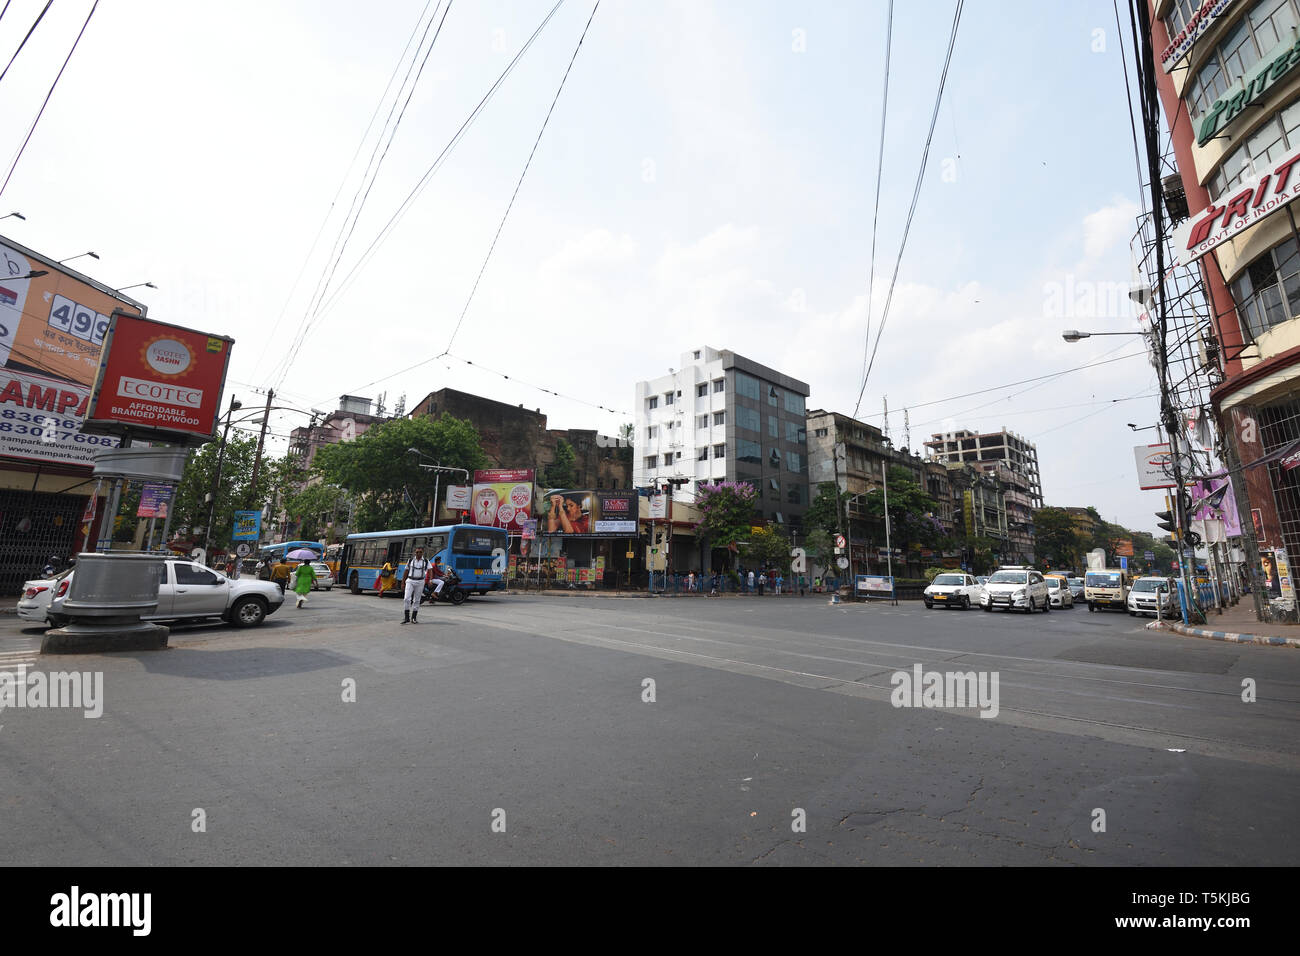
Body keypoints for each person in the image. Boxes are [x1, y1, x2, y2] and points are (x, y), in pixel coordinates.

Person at [401, 546, 430, 624]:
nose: (418, 553)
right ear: (415, 553)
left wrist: (429, 580)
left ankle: (414, 618)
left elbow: (430, 570)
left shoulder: (426, 561)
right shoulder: (410, 560)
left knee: (417, 600)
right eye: (417, 552)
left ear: (422, 553)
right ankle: (406, 617)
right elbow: (406, 571)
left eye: (420, 552)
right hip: (410, 580)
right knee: (406, 598)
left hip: (420, 581)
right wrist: (403, 582)